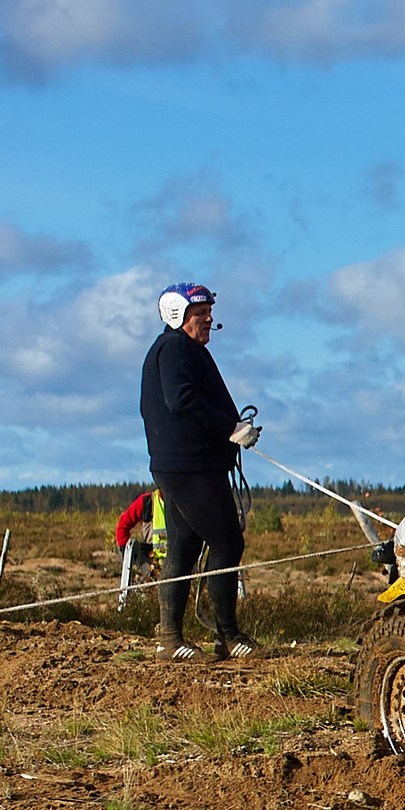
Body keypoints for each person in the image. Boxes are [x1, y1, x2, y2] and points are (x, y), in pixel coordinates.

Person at [138, 282, 262, 661]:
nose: (209, 318)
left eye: (209, 312)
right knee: (227, 543)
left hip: (186, 466)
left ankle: (170, 640)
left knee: (185, 546)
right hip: (190, 468)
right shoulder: (175, 348)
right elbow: (182, 400)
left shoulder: (182, 349)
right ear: (178, 315)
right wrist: (230, 428)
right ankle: (229, 638)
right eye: (200, 313)